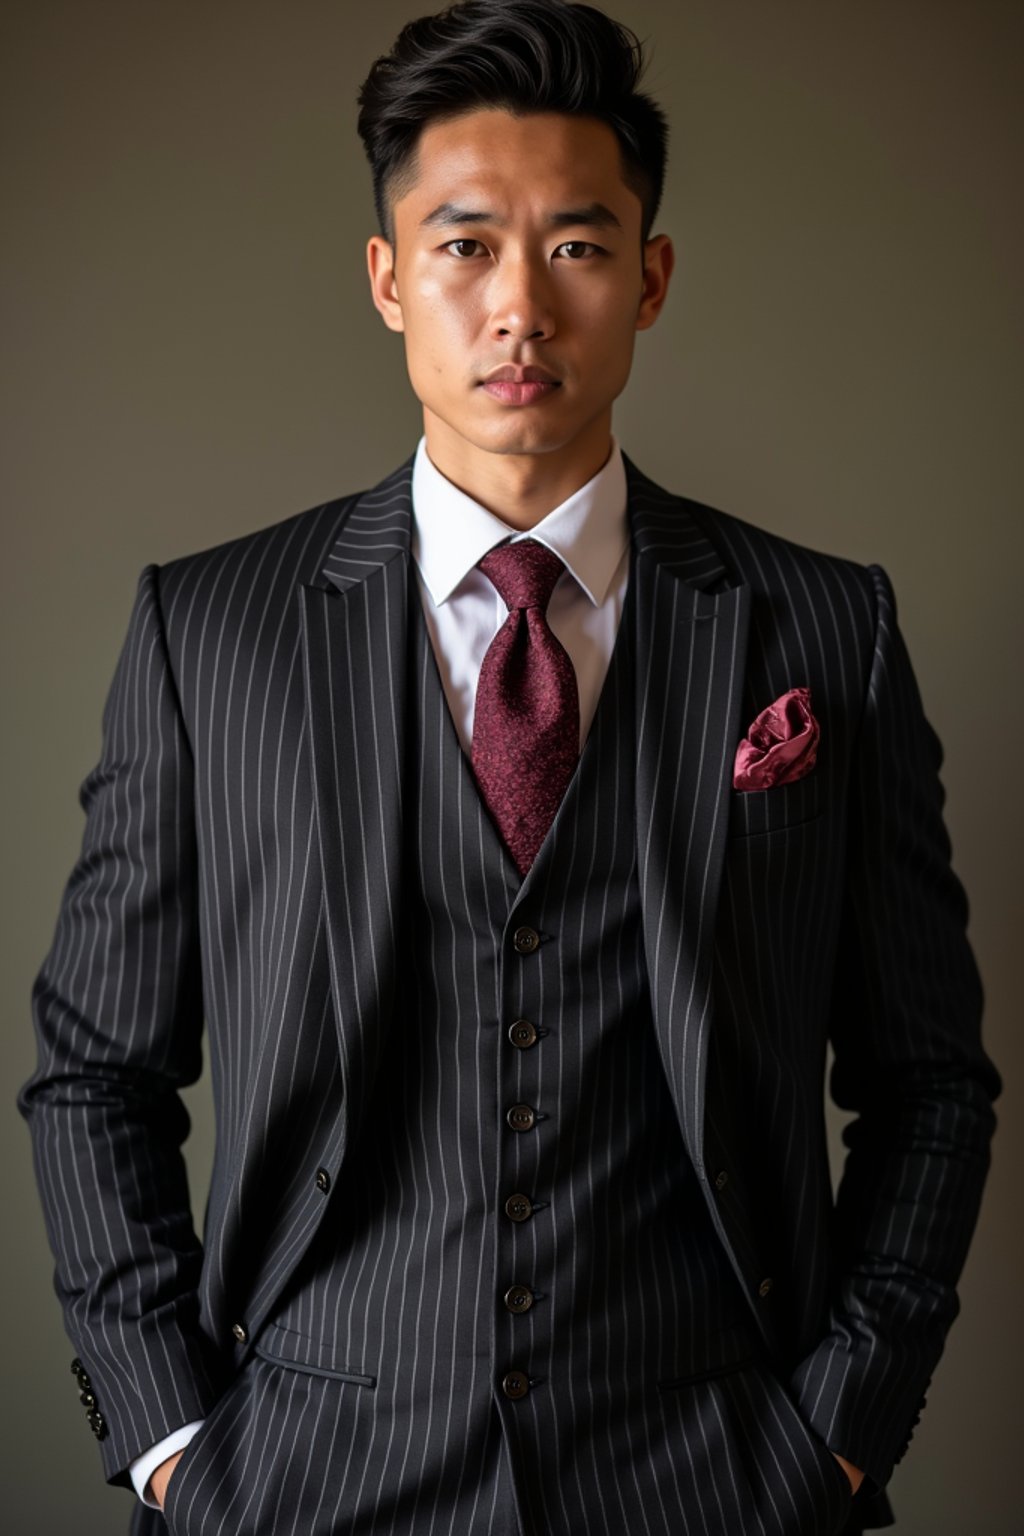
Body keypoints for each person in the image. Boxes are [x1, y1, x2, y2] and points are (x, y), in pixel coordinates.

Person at [18, 2, 1000, 1533]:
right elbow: (93, 1071)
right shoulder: (208, 631)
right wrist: (157, 1440)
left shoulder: (824, 626)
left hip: (719, 1475)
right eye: (466, 246)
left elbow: (930, 1081)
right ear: (387, 279)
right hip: (302, 1477)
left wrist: (843, 1435)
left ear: (652, 279)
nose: (520, 308)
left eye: (579, 246)